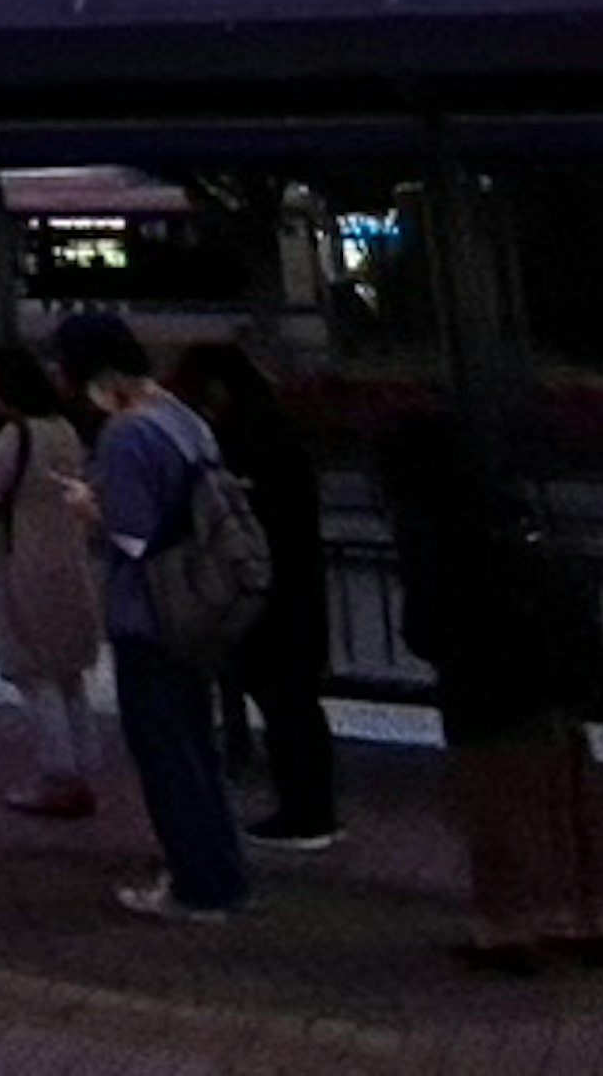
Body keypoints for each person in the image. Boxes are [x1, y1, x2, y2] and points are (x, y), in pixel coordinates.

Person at [377, 413, 603, 975]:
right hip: (554, 677)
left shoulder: (429, 522)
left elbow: (427, 623)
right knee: (571, 803)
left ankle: (506, 931)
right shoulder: (506, 505)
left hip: (485, 688)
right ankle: (586, 921)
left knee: (498, 813)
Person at [53, 313, 246, 920]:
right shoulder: (185, 420)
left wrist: (90, 506)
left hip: (150, 612)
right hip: (199, 604)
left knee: (165, 750)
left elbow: (133, 537)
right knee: (196, 746)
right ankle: (220, 871)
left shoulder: (128, 435)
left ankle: (198, 884)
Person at [173, 342, 340, 851]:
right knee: (295, 703)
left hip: (267, 596)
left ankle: (305, 811)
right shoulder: (275, 437)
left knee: (286, 703)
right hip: (290, 592)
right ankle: (310, 806)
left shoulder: (249, 447)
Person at [0, 347, 105, 820]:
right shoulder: (65, 430)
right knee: (68, 671)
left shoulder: (17, 435)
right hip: (68, 556)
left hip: (24, 559)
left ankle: (59, 776)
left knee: (34, 672)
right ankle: (83, 766)